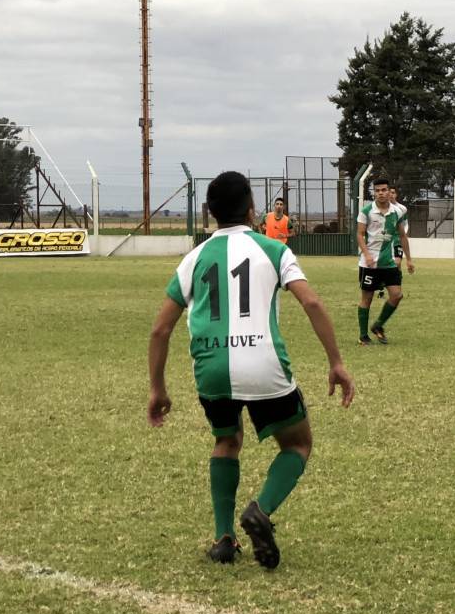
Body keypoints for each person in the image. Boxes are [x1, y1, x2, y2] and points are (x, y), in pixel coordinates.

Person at [146, 172, 355, 569]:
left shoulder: (193, 258)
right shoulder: (273, 249)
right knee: (297, 444)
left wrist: (158, 389)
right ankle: (260, 510)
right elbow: (311, 303)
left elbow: (160, 330)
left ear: (210, 212)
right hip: (263, 364)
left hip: (212, 368)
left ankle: (223, 539)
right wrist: (336, 363)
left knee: (226, 440)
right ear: (252, 209)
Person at [355, 178, 414, 344]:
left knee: (397, 295)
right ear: (374, 193)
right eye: (377, 190)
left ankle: (378, 325)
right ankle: (363, 336)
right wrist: (366, 254)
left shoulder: (397, 212)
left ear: (389, 192)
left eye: (383, 190)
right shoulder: (366, 211)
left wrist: (409, 259)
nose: (380, 193)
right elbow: (360, 234)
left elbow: (402, 235)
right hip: (369, 264)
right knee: (367, 298)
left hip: (388, 262)